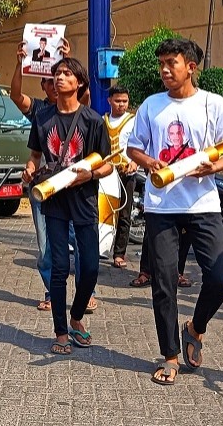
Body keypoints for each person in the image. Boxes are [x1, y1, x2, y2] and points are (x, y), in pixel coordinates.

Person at [127, 38, 223, 385]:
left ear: (191, 67)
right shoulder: (151, 105)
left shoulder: (213, 104)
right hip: (162, 206)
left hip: (202, 204)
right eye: (161, 63)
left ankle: (195, 327)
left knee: (220, 277)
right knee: (163, 282)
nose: (164, 70)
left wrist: (213, 168)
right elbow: (134, 148)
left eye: (171, 63)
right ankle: (170, 355)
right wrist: (150, 162)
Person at [22, 57, 113, 355]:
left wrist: (90, 173)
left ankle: (77, 315)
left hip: (85, 198)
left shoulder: (93, 120)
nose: (60, 77)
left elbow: (107, 166)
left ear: (80, 83)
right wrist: (29, 168)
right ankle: (61, 331)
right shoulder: (43, 118)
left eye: (66, 73)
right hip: (54, 199)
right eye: (57, 73)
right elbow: (36, 155)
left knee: (90, 267)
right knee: (59, 267)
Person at [9, 39, 98, 313]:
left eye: (62, 75)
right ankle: (53, 292)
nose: (55, 81)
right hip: (45, 189)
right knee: (46, 245)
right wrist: (19, 63)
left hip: (77, 188)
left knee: (83, 247)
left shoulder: (82, 111)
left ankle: (85, 293)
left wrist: (68, 59)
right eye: (50, 78)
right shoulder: (39, 111)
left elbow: (84, 94)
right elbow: (15, 95)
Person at [105, 86, 138, 269]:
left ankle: (119, 254)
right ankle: (101, 248)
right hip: (107, 172)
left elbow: (141, 144)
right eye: (118, 101)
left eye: (125, 101)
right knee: (104, 211)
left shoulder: (133, 121)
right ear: (110, 100)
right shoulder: (103, 121)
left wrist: (135, 163)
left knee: (124, 214)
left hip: (127, 172)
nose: (121, 104)